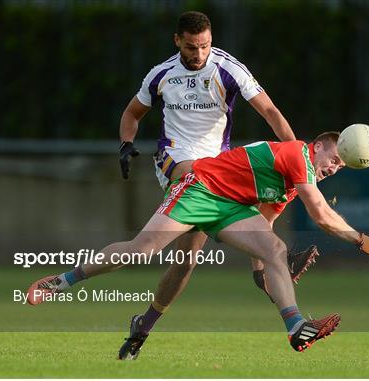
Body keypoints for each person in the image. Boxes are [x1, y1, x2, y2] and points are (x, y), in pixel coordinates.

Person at [27, 131, 369, 357]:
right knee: (143, 249)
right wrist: (358, 239)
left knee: (275, 250)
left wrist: (265, 277)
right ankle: (62, 281)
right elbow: (320, 214)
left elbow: (265, 231)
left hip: (230, 209)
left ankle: (295, 326)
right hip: (201, 188)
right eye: (333, 158)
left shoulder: (286, 186)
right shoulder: (295, 155)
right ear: (315, 147)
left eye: (340, 166)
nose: (334, 167)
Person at [118, 10, 317, 333]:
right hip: (175, 159)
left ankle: (144, 325)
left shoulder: (228, 68)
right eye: (191, 48)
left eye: (205, 46)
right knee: (195, 173)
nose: (199, 54)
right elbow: (132, 112)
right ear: (177, 41)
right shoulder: (161, 75)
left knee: (185, 262)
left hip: (220, 168)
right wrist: (126, 144)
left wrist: (295, 157)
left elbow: (269, 110)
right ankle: (260, 264)